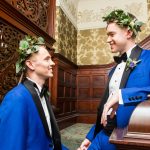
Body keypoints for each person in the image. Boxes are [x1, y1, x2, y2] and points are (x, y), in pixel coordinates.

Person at [78, 9, 150, 150]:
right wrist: (91, 136)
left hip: (131, 141)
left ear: (128, 33)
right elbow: (106, 107)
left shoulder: (149, 58)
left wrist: (122, 95)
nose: (107, 39)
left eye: (112, 34)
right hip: (103, 135)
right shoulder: (112, 70)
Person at [0, 35, 68, 150]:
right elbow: (11, 146)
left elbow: (49, 139)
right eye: (47, 59)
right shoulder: (16, 98)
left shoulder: (43, 94)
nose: (53, 63)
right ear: (30, 64)